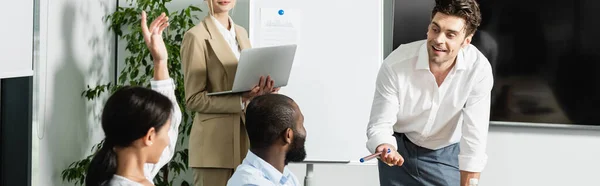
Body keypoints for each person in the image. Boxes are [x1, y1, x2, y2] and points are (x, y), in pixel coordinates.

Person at [365, 0, 493, 185]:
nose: (439, 39)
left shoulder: (478, 70)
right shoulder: (396, 64)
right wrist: (384, 145)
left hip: (444, 152)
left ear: (466, 41)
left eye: (450, 35)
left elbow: (475, 136)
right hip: (399, 149)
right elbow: (380, 124)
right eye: (435, 29)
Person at [180, 0, 278, 185]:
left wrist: (263, 90)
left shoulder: (241, 33)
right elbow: (193, 99)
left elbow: (244, 84)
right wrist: (241, 101)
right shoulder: (196, 36)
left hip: (246, 141)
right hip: (214, 147)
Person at [85, 11, 182, 186]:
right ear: (149, 136)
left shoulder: (134, 170)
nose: (169, 139)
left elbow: (171, 121)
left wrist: (160, 62)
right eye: (165, 132)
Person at [226, 94, 306, 186]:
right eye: (301, 125)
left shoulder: (287, 177)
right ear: (288, 135)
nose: (305, 131)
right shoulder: (250, 182)